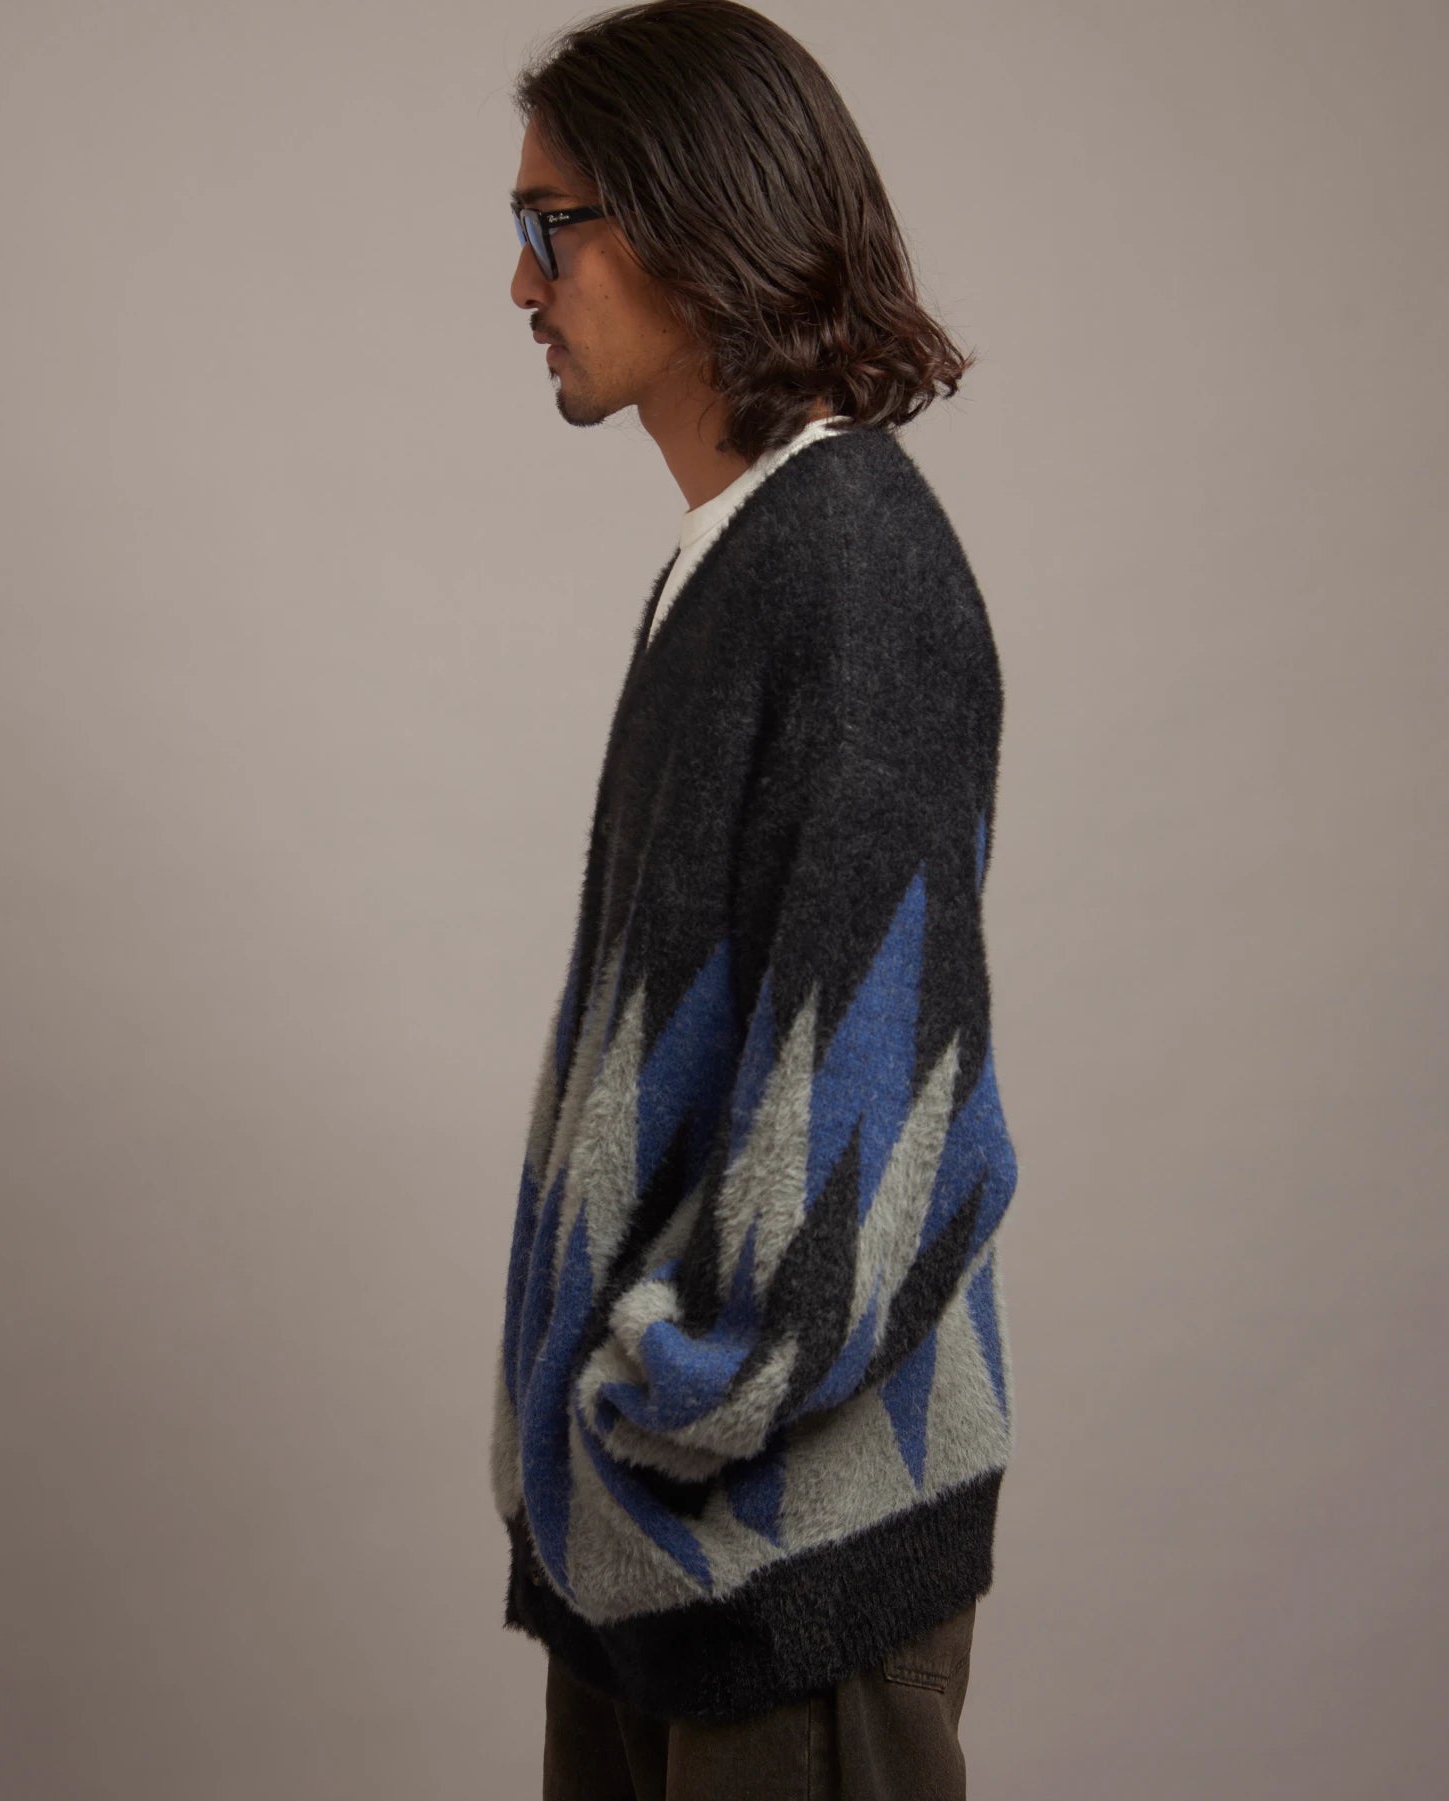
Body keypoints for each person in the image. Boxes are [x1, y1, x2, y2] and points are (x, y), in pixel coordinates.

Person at [496, 5, 1019, 1795]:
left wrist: (674, 1393)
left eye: (550, 224)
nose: (521, 282)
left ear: (689, 218)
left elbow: (885, 1096)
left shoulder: (854, 565)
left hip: (785, 1559)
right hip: (660, 1551)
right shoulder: (738, 559)